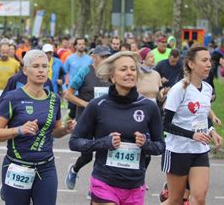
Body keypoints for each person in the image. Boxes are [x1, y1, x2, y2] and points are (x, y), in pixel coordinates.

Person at [69, 51, 165, 205]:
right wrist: (103, 143)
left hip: (135, 185)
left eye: (133, 69)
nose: (129, 73)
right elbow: (74, 142)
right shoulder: (97, 105)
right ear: (112, 76)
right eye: (123, 69)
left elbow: (160, 146)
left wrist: (146, 144)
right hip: (104, 182)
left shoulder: (149, 107)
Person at [0, 49, 76, 205]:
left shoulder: (54, 99)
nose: (41, 70)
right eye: (36, 66)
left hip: (46, 167)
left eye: (44, 66)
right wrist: (19, 130)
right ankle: (7, 188)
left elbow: (55, 131)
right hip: (17, 166)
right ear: (25, 70)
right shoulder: (13, 97)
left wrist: (65, 130)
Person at [161, 46, 223, 205]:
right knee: (175, 200)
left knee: (200, 198)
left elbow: (202, 116)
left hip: (200, 150)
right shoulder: (179, 89)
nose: (209, 64)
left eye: (209, 60)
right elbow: (165, 124)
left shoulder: (207, 89)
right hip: (177, 150)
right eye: (204, 60)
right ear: (191, 64)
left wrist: (212, 131)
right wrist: (192, 135)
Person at [64, 45, 111, 193]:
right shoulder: (85, 72)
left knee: (104, 153)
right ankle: (74, 169)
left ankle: (96, 187)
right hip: (86, 117)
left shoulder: (110, 73)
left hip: (104, 120)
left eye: (107, 57)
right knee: (87, 155)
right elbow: (68, 94)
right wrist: (87, 104)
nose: (105, 59)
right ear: (94, 57)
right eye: (102, 57)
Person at [64, 38, 92, 120]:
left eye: (83, 44)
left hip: (85, 92)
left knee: (84, 114)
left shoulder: (89, 59)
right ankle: (67, 126)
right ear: (75, 46)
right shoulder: (69, 59)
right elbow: (64, 73)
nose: (81, 46)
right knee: (72, 113)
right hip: (73, 91)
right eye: (79, 44)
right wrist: (64, 88)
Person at [0, 40, 21, 107]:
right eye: (3, 52)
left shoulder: (15, 63)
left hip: (11, 90)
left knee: (9, 109)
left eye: (6, 52)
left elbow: (20, 75)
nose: (5, 54)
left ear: (9, 52)